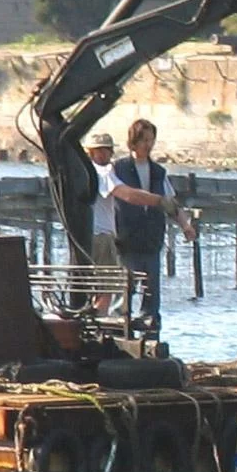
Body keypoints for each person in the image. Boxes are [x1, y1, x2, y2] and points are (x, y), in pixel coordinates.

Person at [113, 119, 196, 329]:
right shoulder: (118, 168)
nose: (147, 145)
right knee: (125, 288)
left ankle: (150, 332)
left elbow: (172, 204)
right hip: (126, 237)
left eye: (151, 140)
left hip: (152, 238)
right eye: (144, 140)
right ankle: (118, 330)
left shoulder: (158, 172)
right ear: (133, 141)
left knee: (151, 292)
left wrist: (186, 226)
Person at [84, 132, 175, 314]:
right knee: (107, 288)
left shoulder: (81, 173)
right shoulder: (103, 173)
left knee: (90, 286)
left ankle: (89, 320)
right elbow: (129, 195)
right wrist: (158, 200)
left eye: (105, 151)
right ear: (90, 153)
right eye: (98, 151)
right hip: (102, 237)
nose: (102, 155)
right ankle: (98, 325)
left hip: (83, 236)